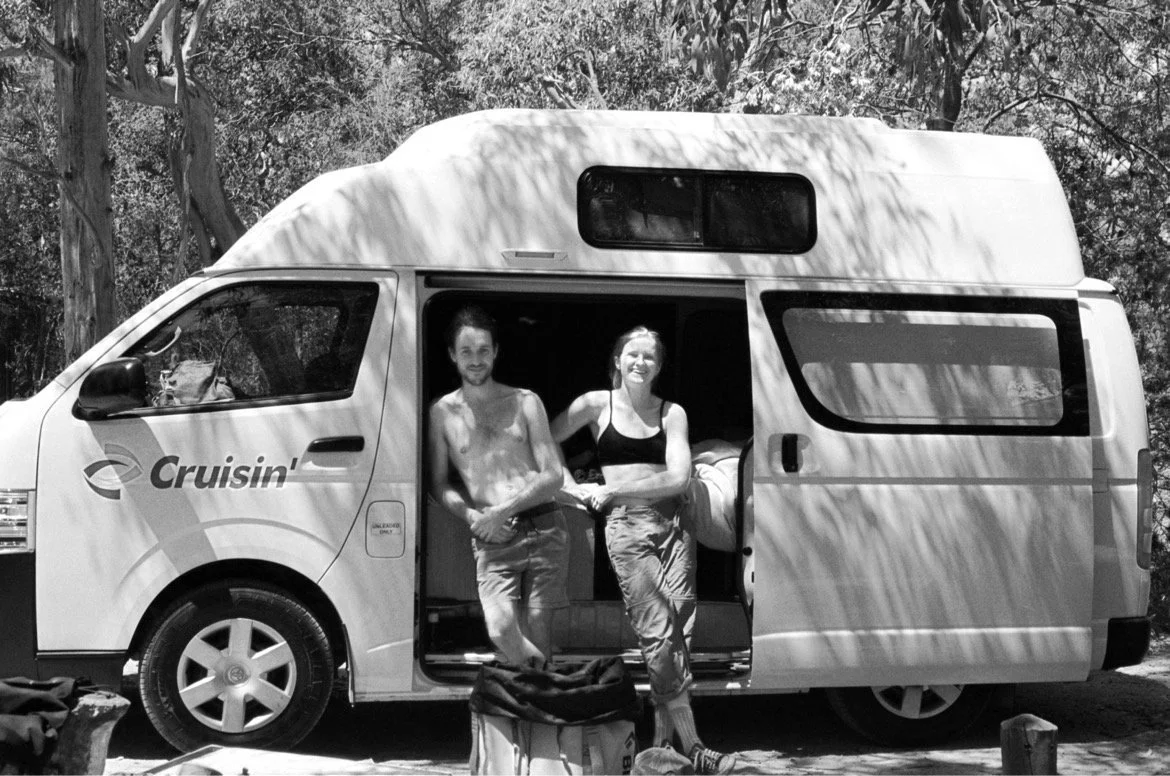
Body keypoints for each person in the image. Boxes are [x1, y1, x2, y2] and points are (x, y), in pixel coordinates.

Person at [551, 326, 736, 775]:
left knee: (678, 631)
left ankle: (658, 752)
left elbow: (677, 478)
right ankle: (693, 748)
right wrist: (573, 487)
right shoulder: (595, 405)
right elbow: (544, 441)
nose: (640, 363)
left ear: (659, 366)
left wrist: (615, 488)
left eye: (650, 357)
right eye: (632, 354)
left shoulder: (673, 413)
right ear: (617, 359)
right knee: (656, 631)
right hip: (628, 528)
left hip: (676, 522)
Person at [427, 305, 569, 666]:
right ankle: (555, 690)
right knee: (501, 630)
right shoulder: (441, 412)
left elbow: (553, 475)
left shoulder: (525, 401)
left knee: (539, 633)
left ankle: (540, 712)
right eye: (466, 352)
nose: (475, 360)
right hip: (490, 536)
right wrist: (474, 516)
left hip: (544, 527)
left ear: (496, 352)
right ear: (452, 356)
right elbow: (439, 484)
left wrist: (503, 511)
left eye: (483, 351)